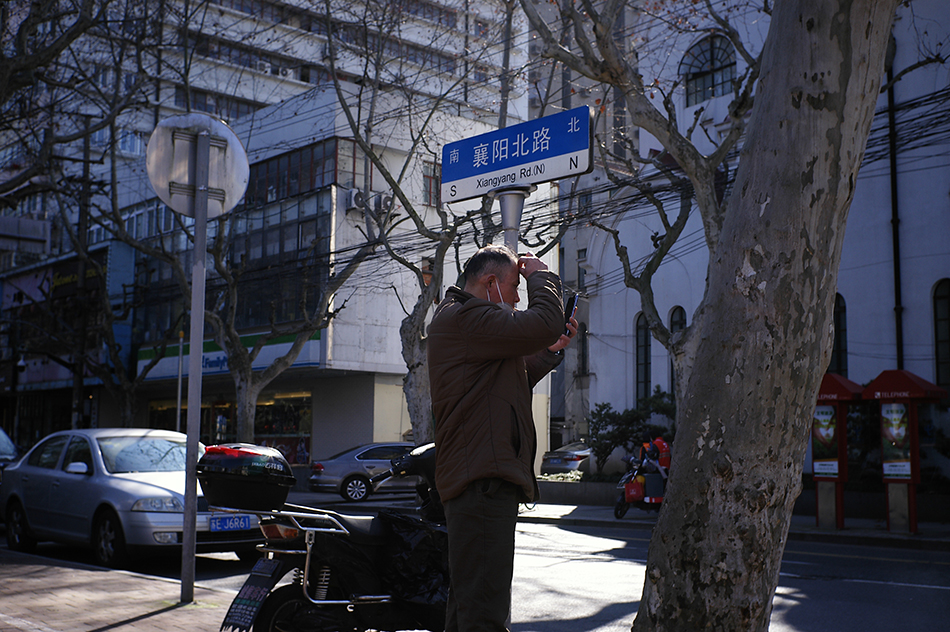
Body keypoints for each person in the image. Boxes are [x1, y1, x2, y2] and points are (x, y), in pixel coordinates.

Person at [427, 245, 576, 632]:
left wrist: (546, 350)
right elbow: (544, 321)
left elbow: (510, 381)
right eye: (514, 288)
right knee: (483, 616)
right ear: (490, 283)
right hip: (482, 483)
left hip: (479, 482)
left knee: (469, 610)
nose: (515, 298)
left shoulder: (464, 323)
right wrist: (542, 276)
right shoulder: (466, 317)